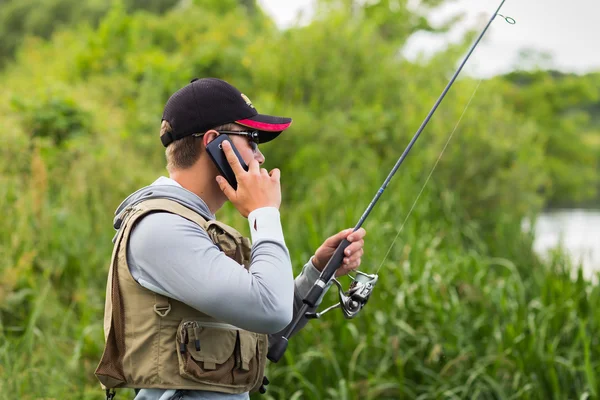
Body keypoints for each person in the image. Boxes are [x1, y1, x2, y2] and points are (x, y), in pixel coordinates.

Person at [95, 78, 366, 400]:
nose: (260, 156)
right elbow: (270, 310)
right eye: (252, 139)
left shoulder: (191, 226)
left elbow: (264, 322)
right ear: (214, 143)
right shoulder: (160, 229)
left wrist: (317, 272)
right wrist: (263, 212)